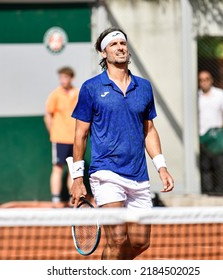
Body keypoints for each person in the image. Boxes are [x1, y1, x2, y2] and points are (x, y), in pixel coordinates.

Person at [70, 27, 174, 260]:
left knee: (140, 243)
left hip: (139, 175)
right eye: (114, 44)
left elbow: (149, 130)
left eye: (123, 43)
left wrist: (162, 166)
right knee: (116, 239)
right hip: (106, 173)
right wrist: (77, 178)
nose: (120, 47)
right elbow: (80, 134)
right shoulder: (91, 88)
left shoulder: (144, 87)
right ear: (103, 53)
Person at [44, 66, 79, 207]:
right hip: (59, 139)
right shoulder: (55, 95)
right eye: (61, 77)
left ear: (71, 78)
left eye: (65, 77)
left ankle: (73, 200)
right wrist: (53, 133)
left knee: (74, 170)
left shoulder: (78, 93)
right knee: (58, 168)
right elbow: (47, 116)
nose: (63, 80)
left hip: (75, 139)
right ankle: (56, 199)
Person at [198, 70, 223, 195]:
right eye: (201, 80)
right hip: (202, 136)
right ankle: (208, 191)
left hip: (217, 136)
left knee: (220, 164)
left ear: (211, 80)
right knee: (205, 165)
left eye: (206, 79)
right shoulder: (197, 97)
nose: (204, 82)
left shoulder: (220, 94)